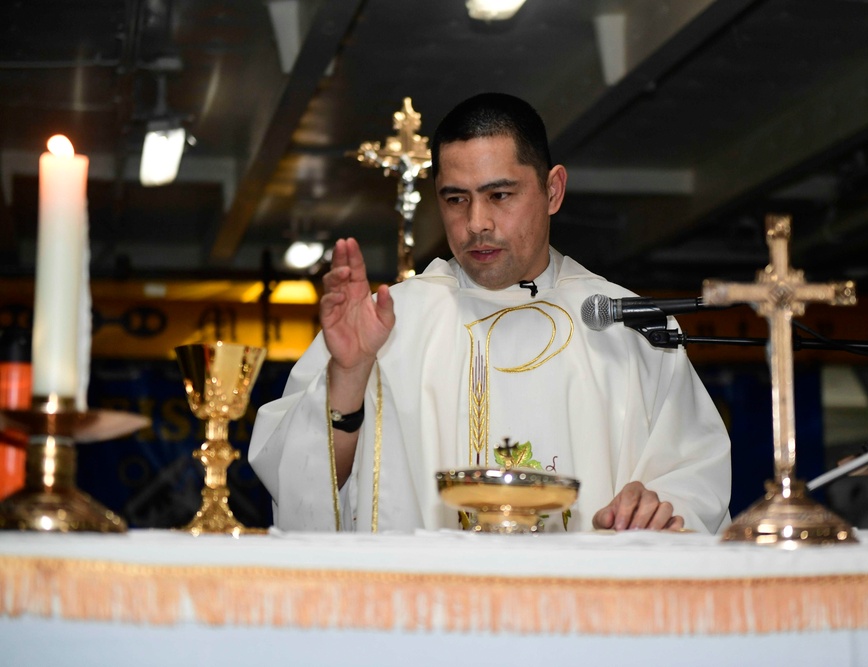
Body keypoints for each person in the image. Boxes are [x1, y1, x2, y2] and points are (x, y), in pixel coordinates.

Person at [248, 93, 731, 534]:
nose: (476, 222)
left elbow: (697, 477)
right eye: (456, 199)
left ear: (553, 190)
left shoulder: (627, 326)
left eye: (499, 196)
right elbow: (299, 484)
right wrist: (350, 374)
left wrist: (657, 505)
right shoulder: (391, 323)